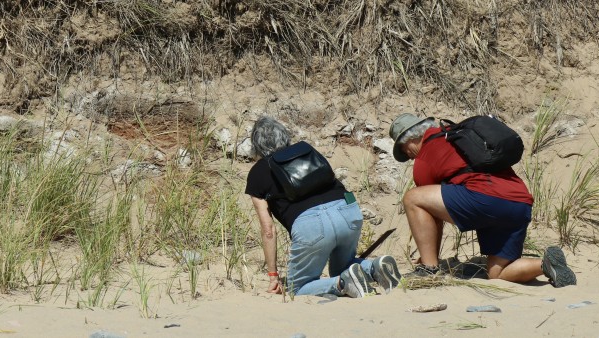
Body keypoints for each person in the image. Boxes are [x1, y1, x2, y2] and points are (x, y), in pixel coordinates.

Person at [389, 113, 576, 287]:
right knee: (497, 274)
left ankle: (428, 270)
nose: (408, 155)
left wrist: (428, 257)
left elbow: (430, 213)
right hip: (519, 203)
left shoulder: (426, 154)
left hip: (486, 200)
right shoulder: (458, 136)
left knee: (412, 197)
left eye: (404, 149)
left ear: (411, 138)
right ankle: (547, 264)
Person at [245, 116, 402, 298]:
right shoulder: (306, 150)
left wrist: (273, 276)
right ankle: (375, 267)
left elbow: (268, 230)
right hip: (347, 209)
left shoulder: (258, 172)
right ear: (285, 136)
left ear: (256, 144)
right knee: (343, 266)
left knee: (297, 287)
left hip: (310, 224)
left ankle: (342, 283)